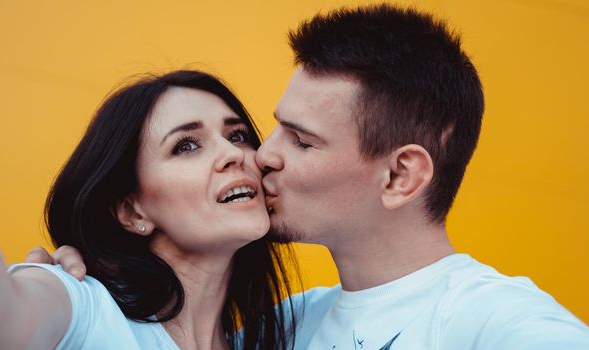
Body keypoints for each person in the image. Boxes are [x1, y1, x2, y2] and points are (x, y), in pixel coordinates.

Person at [35, 3, 589, 349]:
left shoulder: (491, 319)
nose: (260, 156)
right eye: (270, 130)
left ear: (400, 176)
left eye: (301, 141)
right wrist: (57, 281)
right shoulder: (282, 328)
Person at [0, 70, 301, 350]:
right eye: (186, 145)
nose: (233, 153)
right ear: (132, 212)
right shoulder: (83, 306)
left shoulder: (293, 334)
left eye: (238, 135)